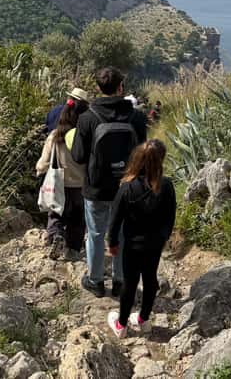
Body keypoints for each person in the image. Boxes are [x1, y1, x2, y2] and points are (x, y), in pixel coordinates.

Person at [72, 67, 147, 298]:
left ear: (98, 88)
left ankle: (95, 281)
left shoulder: (87, 118)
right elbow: (142, 153)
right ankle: (120, 280)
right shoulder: (136, 117)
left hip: (96, 188)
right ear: (121, 88)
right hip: (127, 187)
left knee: (95, 233)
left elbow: (78, 156)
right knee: (123, 233)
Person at [106, 139, 176, 338]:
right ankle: (144, 319)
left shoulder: (127, 188)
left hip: (133, 245)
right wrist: (164, 238)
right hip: (154, 243)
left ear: (137, 160)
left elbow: (115, 219)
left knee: (130, 282)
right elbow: (170, 218)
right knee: (150, 279)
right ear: (161, 160)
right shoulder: (167, 186)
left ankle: (121, 324)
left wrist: (112, 242)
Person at [36, 88, 90, 260]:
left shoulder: (55, 135)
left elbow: (43, 163)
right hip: (81, 186)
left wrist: (39, 170)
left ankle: (56, 237)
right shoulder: (86, 136)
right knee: (77, 220)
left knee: (56, 215)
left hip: (60, 183)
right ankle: (73, 249)